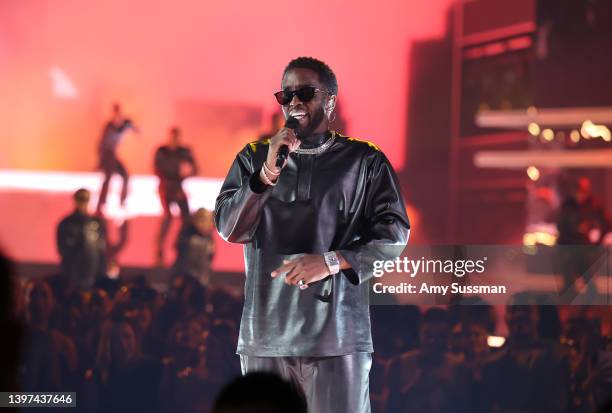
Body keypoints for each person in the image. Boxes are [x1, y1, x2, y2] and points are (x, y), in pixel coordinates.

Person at [214, 56, 410, 413]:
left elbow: (394, 233)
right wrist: (267, 174)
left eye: (305, 92)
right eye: (285, 95)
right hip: (267, 337)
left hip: (338, 337)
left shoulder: (364, 161)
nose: (294, 103)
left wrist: (332, 261)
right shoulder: (254, 157)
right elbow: (229, 228)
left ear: (331, 100)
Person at [154, 127, 198, 265]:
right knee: (168, 216)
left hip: (177, 186)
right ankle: (159, 248)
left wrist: (183, 177)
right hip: (166, 188)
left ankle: (179, 245)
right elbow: (157, 169)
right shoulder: (162, 151)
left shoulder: (182, 151)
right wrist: (171, 180)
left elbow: (195, 167)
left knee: (186, 218)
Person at [57, 189, 107, 290]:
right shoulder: (67, 223)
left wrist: (101, 272)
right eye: (81, 199)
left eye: (86, 199)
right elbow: (63, 249)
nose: (83, 202)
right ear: (75, 200)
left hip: (93, 274)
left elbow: (101, 249)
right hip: (72, 274)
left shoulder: (96, 223)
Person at [97, 102, 139, 213]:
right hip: (107, 155)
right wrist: (101, 160)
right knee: (108, 177)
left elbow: (135, 129)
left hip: (112, 155)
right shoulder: (109, 127)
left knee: (125, 175)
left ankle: (121, 201)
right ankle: (101, 203)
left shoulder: (124, 124)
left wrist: (132, 126)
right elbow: (102, 144)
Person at [172, 208, 215, 286]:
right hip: (185, 281)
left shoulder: (209, 239)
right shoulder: (188, 239)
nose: (206, 224)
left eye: (209, 221)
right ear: (195, 221)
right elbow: (182, 259)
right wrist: (179, 277)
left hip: (202, 280)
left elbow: (209, 259)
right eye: (202, 220)